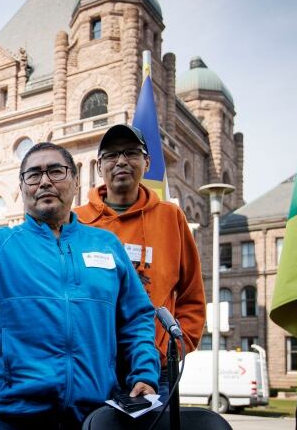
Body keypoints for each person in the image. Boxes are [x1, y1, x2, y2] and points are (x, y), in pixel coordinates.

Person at [0, 142, 159, 429]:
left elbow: (137, 317)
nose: (44, 181)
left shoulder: (106, 244)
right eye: (33, 174)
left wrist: (144, 372)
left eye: (55, 171)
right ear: (22, 187)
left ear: (76, 180)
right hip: (21, 415)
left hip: (97, 415)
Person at [74, 124, 205, 400]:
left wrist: (168, 349)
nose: (121, 161)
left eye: (131, 152)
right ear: (100, 166)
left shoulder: (171, 218)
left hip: (154, 369)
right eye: (111, 155)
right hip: (91, 368)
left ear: (147, 162)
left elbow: (192, 296)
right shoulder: (77, 221)